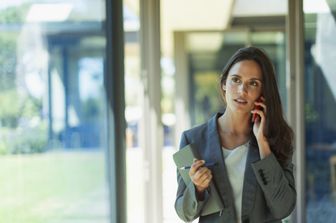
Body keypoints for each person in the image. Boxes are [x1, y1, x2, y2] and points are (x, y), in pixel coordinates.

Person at [175, 46, 296, 223]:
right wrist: (198, 188)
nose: (242, 91)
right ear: (224, 84)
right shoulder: (192, 140)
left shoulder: (277, 139)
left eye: (253, 83)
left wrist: (263, 144)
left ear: (262, 92)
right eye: (236, 80)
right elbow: (183, 213)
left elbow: (283, 208)